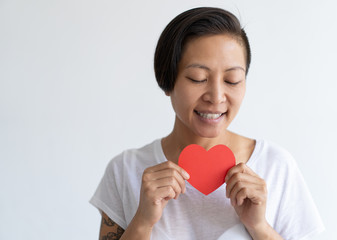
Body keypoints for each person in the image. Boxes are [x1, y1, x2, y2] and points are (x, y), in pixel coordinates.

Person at [90, 7, 324, 240]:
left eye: (232, 80)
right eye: (198, 79)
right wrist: (142, 223)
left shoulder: (276, 166)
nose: (217, 96)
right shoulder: (126, 170)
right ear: (167, 79)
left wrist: (259, 227)